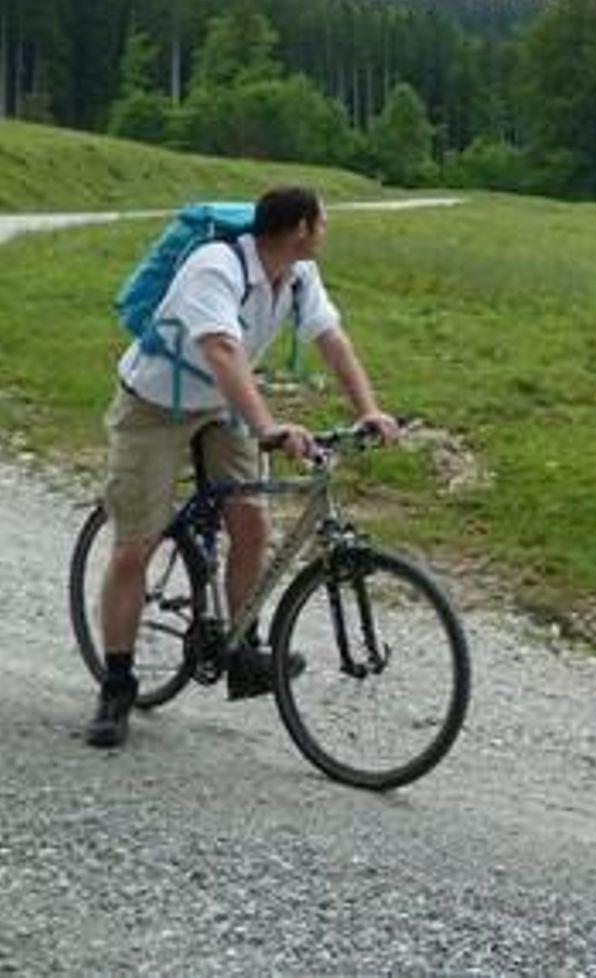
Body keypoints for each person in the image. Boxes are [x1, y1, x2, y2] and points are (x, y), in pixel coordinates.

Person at [87, 186, 401, 748]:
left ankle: (242, 650)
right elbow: (222, 351)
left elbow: (331, 340)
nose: (326, 232)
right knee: (136, 545)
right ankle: (116, 684)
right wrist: (267, 427)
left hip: (222, 403)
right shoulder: (215, 266)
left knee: (252, 522)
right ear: (301, 228)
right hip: (155, 404)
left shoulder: (298, 276)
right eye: (323, 222)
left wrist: (369, 410)